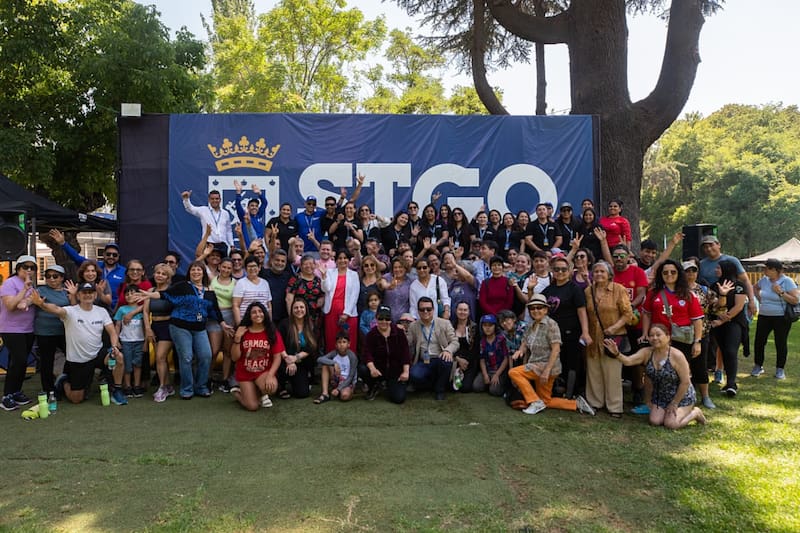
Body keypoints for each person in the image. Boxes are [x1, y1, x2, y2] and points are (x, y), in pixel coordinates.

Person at [133, 261, 232, 399]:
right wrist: (149, 295)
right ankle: (187, 389)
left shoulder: (209, 292)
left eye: (199, 270)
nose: (196, 272)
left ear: (203, 272)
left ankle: (201, 386)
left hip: (199, 328)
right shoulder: (182, 286)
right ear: (189, 272)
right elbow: (163, 294)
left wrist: (223, 324)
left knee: (206, 356)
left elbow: (214, 310)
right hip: (180, 327)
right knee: (186, 357)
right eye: (193, 270)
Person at [31, 282, 127, 406]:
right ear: (78, 295)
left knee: (119, 357)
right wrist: (41, 304)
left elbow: (112, 332)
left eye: (90, 292)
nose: (88, 295)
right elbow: (55, 309)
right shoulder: (70, 311)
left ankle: (117, 390)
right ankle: (64, 380)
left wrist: (114, 347)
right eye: (84, 293)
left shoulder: (102, 311)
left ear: (95, 294)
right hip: (78, 360)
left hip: (97, 354)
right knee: (76, 399)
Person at [603, 323, 707, 429]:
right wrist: (617, 353)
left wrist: (675, 403)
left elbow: (685, 382)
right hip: (661, 397)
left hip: (682, 397)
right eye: (651, 335)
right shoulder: (646, 353)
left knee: (671, 424)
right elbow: (628, 361)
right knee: (655, 421)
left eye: (658, 335)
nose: (654, 338)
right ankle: (667, 412)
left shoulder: (677, 356)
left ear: (668, 337)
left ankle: (695, 413)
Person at [508, 295, 596, 416]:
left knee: (514, 372)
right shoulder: (531, 325)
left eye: (539, 307)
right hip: (536, 364)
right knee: (546, 400)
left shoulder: (551, 325)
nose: (535, 310)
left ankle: (534, 401)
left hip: (547, 367)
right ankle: (576, 404)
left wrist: (547, 371)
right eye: (532, 308)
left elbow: (556, 349)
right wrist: (520, 350)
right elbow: (525, 341)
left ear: (545, 309)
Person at [640, 260, 710, 409]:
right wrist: (645, 333)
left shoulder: (688, 294)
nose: (669, 275)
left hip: (681, 339)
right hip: (657, 339)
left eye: (673, 272)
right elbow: (646, 314)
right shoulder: (653, 293)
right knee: (653, 371)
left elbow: (697, 320)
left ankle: (680, 402)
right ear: (661, 275)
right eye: (665, 272)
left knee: (679, 372)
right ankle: (651, 403)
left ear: (679, 274)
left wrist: (697, 341)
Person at [583, 261, 633, 418]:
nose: (598, 274)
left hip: (613, 337)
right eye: (596, 271)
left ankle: (615, 407)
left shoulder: (619, 290)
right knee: (594, 371)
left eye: (602, 272)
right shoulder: (588, 291)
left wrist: (614, 327)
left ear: (609, 274)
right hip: (593, 336)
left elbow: (627, 313)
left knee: (612, 373)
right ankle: (595, 403)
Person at [542, 256, 593, 398]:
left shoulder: (574, 289)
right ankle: (557, 389)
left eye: (563, 269)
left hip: (571, 332)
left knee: (572, 363)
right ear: (552, 271)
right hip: (553, 335)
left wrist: (585, 332)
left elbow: (582, 311)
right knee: (556, 361)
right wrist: (530, 289)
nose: (560, 272)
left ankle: (571, 393)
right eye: (557, 269)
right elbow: (538, 308)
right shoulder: (548, 289)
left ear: (570, 270)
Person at [49, 229, 126, 308]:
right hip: (90, 309)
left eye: (114, 255)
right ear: (104, 254)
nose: (111, 257)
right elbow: (77, 258)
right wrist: (63, 243)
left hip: (115, 311)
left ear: (118, 256)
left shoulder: (124, 271)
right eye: (108, 254)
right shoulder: (95, 265)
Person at [231, 302, 285, 411]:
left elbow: (277, 358)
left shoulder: (272, 332)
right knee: (252, 406)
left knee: (271, 387)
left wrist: (270, 375)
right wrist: (237, 338)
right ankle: (238, 393)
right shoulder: (243, 331)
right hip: (245, 372)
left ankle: (258, 390)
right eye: (254, 312)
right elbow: (234, 358)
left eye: (260, 311)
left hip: (262, 372)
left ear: (265, 314)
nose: (257, 314)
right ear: (249, 316)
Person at [0, 255, 37, 411]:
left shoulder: (32, 286)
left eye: (32, 268)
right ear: (18, 268)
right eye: (25, 267)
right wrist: (24, 291)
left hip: (28, 329)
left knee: (19, 362)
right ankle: (6, 396)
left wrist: (27, 301)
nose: (29, 270)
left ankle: (16, 392)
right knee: (19, 360)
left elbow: (34, 301)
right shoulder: (10, 283)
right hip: (11, 329)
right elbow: (10, 306)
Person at [752, 258, 798, 379]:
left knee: (780, 343)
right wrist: (760, 299)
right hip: (764, 316)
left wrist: (781, 293)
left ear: (776, 270)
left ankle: (780, 369)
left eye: (767, 268)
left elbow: (795, 300)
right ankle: (758, 366)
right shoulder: (764, 280)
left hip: (781, 317)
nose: (764, 270)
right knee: (759, 341)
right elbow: (755, 287)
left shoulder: (787, 281)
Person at [407, 297, 459, 400]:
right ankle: (434, 384)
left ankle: (440, 390)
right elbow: (406, 343)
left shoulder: (444, 323)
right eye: (422, 309)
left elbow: (455, 342)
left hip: (440, 358)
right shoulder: (413, 326)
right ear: (418, 311)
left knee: (446, 361)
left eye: (428, 309)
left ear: (433, 310)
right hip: (424, 361)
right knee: (414, 375)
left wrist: (448, 350)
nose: (425, 311)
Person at [710, 259, 747, 397]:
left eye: (718, 268)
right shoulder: (715, 285)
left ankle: (731, 384)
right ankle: (727, 380)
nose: (716, 270)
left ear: (726, 270)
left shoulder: (739, 286)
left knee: (731, 351)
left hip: (735, 322)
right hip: (718, 323)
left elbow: (738, 306)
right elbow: (715, 306)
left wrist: (724, 319)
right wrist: (719, 321)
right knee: (724, 350)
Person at [33, 264, 69, 403]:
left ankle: (65, 385)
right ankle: (48, 390)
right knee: (46, 362)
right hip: (45, 331)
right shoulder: (40, 290)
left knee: (71, 359)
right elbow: (29, 301)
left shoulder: (67, 291)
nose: (52, 279)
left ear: (62, 278)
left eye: (55, 276)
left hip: (64, 330)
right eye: (48, 276)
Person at [683, 257, 716, 409]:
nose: (690, 274)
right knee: (681, 366)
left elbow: (717, 308)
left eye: (693, 271)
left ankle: (705, 396)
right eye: (687, 271)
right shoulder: (677, 290)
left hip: (701, 334)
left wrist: (722, 296)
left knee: (701, 366)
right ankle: (683, 395)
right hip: (681, 334)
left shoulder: (704, 290)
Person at [361, 305, 411, 403]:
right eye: (381, 318)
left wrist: (406, 372)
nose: (384, 321)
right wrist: (372, 369)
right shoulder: (371, 334)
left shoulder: (399, 333)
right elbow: (367, 354)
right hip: (378, 370)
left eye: (387, 318)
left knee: (399, 399)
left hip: (395, 371)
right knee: (362, 369)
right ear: (376, 318)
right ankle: (374, 386)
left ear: (391, 319)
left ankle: (389, 386)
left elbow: (405, 353)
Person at [143, 263, 176, 403]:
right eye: (158, 273)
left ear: (168, 277)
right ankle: (168, 386)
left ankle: (162, 387)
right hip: (154, 325)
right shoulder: (150, 290)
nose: (160, 276)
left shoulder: (171, 291)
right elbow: (145, 311)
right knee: (160, 358)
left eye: (163, 274)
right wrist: (148, 328)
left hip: (168, 326)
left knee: (160, 357)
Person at [276, 298, 317, 399]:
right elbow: (278, 343)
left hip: (300, 361)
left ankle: (301, 379)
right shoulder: (284, 324)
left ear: (306, 309)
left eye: (302, 307)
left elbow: (311, 347)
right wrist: (288, 360)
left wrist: (296, 358)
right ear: (292, 310)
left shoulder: (310, 325)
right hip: (284, 359)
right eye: (296, 308)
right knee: (278, 361)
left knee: (302, 393)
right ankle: (281, 386)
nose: (299, 310)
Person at [320, 249, 360, 351]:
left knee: (348, 340)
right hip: (331, 312)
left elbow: (354, 295)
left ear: (349, 260)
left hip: (349, 313)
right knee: (331, 339)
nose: (342, 260)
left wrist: (346, 313)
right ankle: (331, 365)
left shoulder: (354, 275)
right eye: (340, 258)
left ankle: (350, 365)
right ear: (336, 260)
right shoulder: (329, 272)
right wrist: (324, 277)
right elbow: (326, 289)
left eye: (345, 258)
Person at [114, 285, 146, 397]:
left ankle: (136, 385)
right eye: (127, 294)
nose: (129, 296)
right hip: (126, 341)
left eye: (132, 293)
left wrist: (146, 341)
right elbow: (117, 325)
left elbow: (144, 326)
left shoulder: (142, 309)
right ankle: (127, 386)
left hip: (139, 341)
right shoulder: (122, 309)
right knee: (127, 364)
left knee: (138, 364)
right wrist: (116, 340)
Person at [211, 257, 237, 392]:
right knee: (213, 351)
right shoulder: (211, 279)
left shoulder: (236, 283)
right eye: (224, 267)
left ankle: (225, 380)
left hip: (229, 317)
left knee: (227, 351)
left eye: (229, 268)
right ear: (219, 266)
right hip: (214, 317)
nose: (226, 270)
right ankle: (208, 379)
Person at [181, 189, 234, 254]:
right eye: (212, 199)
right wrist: (186, 199)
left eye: (217, 199)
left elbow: (228, 230)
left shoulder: (225, 213)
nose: (215, 200)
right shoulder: (203, 210)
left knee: (223, 264)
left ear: (220, 199)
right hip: (208, 245)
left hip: (222, 245)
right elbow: (190, 209)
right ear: (209, 200)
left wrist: (231, 244)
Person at [314, 330, 359, 403]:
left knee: (344, 396)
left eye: (344, 342)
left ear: (349, 344)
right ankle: (325, 394)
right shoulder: (334, 353)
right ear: (336, 344)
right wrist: (334, 363)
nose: (341, 344)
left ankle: (344, 391)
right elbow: (319, 359)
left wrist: (339, 389)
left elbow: (351, 377)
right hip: (336, 379)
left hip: (347, 382)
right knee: (325, 364)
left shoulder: (352, 357)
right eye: (339, 342)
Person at [475, 314, 510, 396]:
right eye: (485, 325)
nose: (487, 328)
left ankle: (498, 384)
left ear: (495, 326)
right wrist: (485, 374)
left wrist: (497, 374)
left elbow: (506, 358)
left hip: (499, 370)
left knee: (495, 391)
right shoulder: (482, 341)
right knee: (476, 387)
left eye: (490, 325)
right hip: (488, 370)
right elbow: (482, 359)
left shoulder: (501, 339)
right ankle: (489, 382)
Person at [232, 256, 273, 326]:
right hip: (246, 322)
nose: (252, 269)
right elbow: (236, 305)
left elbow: (269, 305)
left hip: (263, 322)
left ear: (259, 267)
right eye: (249, 266)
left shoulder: (265, 283)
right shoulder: (241, 283)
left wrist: (270, 323)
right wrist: (240, 324)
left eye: (254, 266)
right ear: (245, 269)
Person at [286, 254, 325, 327]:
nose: (308, 266)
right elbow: (289, 298)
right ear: (300, 266)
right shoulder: (295, 278)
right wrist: (291, 316)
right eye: (305, 264)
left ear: (315, 265)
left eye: (311, 263)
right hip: (299, 315)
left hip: (315, 316)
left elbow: (323, 293)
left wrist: (322, 298)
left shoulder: (318, 280)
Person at [451, 301, 479, 393]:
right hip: (455, 360)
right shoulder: (450, 326)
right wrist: (458, 359)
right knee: (451, 387)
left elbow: (476, 349)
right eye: (460, 309)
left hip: (469, 361)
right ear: (456, 311)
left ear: (469, 312)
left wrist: (465, 362)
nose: (462, 312)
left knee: (465, 388)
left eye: (465, 310)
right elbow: (446, 345)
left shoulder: (474, 327)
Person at [233, 179, 268, 249]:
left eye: (256, 206)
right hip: (248, 248)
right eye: (252, 206)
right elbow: (238, 205)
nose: (254, 207)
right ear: (248, 208)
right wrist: (238, 193)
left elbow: (264, 203)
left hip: (259, 247)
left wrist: (259, 193)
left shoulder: (259, 215)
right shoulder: (244, 217)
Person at [261, 249, 292, 324]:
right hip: (267, 317)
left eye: (283, 261)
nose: (280, 263)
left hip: (284, 318)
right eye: (277, 260)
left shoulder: (288, 276)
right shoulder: (263, 274)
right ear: (271, 260)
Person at [380, 257, 413, 323]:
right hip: (387, 319)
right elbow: (383, 284)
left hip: (404, 320)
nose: (397, 269)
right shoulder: (387, 277)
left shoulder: (410, 281)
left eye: (400, 267)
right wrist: (389, 286)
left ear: (405, 268)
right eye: (395, 267)